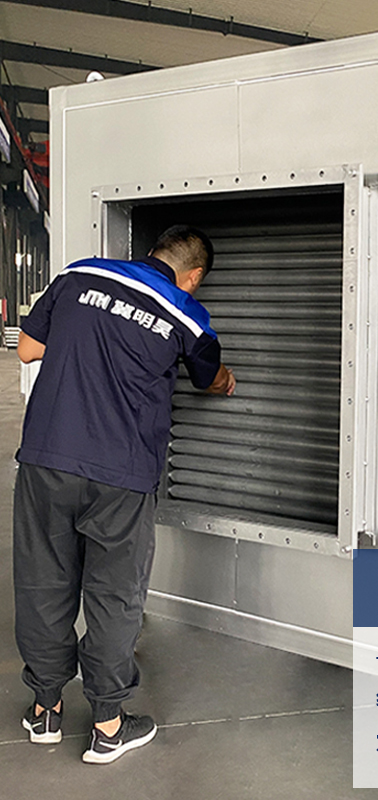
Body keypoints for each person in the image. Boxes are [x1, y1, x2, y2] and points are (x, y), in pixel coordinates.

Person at [13, 225, 235, 764]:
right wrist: (225, 380)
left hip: (48, 457)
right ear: (194, 275)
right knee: (114, 595)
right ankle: (108, 726)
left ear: (151, 252)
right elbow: (209, 377)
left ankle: (45, 710)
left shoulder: (79, 274)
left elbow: (27, 349)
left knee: (43, 582)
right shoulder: (186, 314)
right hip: (122, 475)